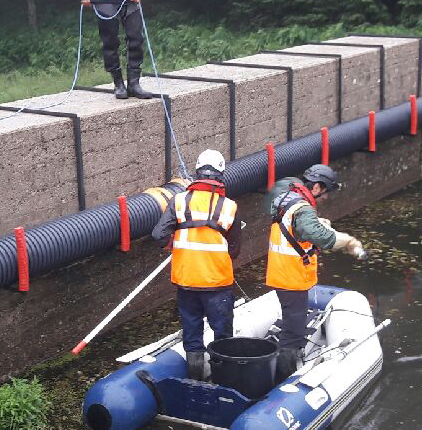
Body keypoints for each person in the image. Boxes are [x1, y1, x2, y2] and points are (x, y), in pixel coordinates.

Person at [264, 164, 366, 378]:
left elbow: (297, 228)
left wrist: (318, 222)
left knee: (293, 326)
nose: (325, 199)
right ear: (318, 188)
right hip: (291, 279)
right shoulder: (302, 208)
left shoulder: (289, 199)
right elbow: (322, 237)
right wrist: (347, 241)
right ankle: (283, 380)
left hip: (282, 275)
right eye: (326, 193)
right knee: (293, 334)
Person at [152, 150, 242, 380]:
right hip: (217, 284)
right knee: (222, 335)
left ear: (198, 172)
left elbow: (159, 235)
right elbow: (235, 250)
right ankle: (223, 380)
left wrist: (175, 245)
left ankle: (195, 380)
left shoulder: (179, 201)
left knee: (192, 337)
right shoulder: (229, 207)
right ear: (221, 174)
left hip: (187, 282)